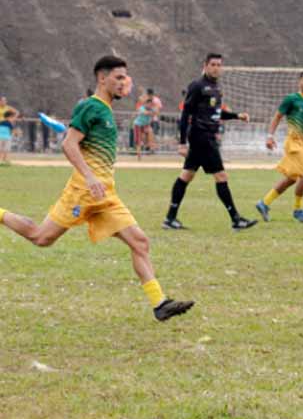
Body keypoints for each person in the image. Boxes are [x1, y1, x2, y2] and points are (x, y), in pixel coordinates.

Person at [0, 55, 193, 321]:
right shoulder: (91, 107)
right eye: (118, 77)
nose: (124, 82)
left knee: (140, 242)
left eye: (125, 77)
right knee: (41, 237)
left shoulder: (105, 109)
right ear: (102, 79)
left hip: (106, 195)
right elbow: (69, 144)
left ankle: (159, 304)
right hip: (84, 191)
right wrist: (90, 177)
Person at [163, 53, 257, 231]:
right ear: (205, 65)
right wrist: (182, 142)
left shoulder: (216, 88)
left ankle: (169, 218)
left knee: (186, 175)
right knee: (221, 176)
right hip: (202, 137)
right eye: (213, 64)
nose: (216, 67)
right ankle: (236, 219)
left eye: (219, 65)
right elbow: (185, 114)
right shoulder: (197, 86)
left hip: (207, 137)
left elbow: (216, 113)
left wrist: (237, 115)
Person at [255, 71, 303, 224]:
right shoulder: (291, 99)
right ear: (300, 82)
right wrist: (270, 136)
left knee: (291, 179)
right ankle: (298, 210)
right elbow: (277, 117)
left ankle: (264, 203)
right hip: (294, 144)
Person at [132, 94, 157, 160]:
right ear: (146, 103)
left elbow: (156, 113)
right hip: (138, 125)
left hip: (146, 125)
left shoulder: (152, 108)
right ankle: (139, 156)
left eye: (151, 104)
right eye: (148, 104)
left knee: (150, 131)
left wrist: (153, 111)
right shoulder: (142, 108)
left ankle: (150, 146)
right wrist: (152, 112)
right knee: (138, 141)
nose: (149, 105)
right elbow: (145, 113)